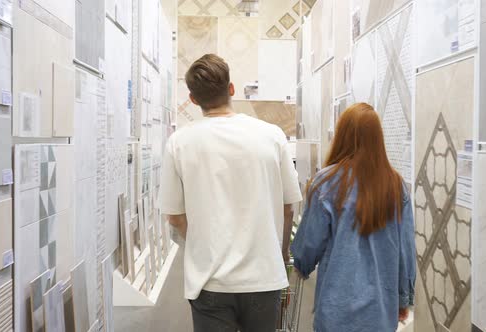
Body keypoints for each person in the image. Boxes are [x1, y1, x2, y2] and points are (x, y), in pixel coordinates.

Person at [159, 54, 302, 332]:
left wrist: (203, 242)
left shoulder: (179, 143)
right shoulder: (272, 136)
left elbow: (175, 217)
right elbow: (287, 208)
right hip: (264, 276)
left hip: (210, 280)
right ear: (232, 88)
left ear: (193, 98)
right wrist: (282, 255)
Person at [291, 103, 416, 332]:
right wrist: (402, 298)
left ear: (343, 136)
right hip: (380, 313)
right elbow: (405, 252)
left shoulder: (326, 183)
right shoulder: (396, 185)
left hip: (335, 311)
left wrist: (302, 264)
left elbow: (309, 243)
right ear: (378, 139)